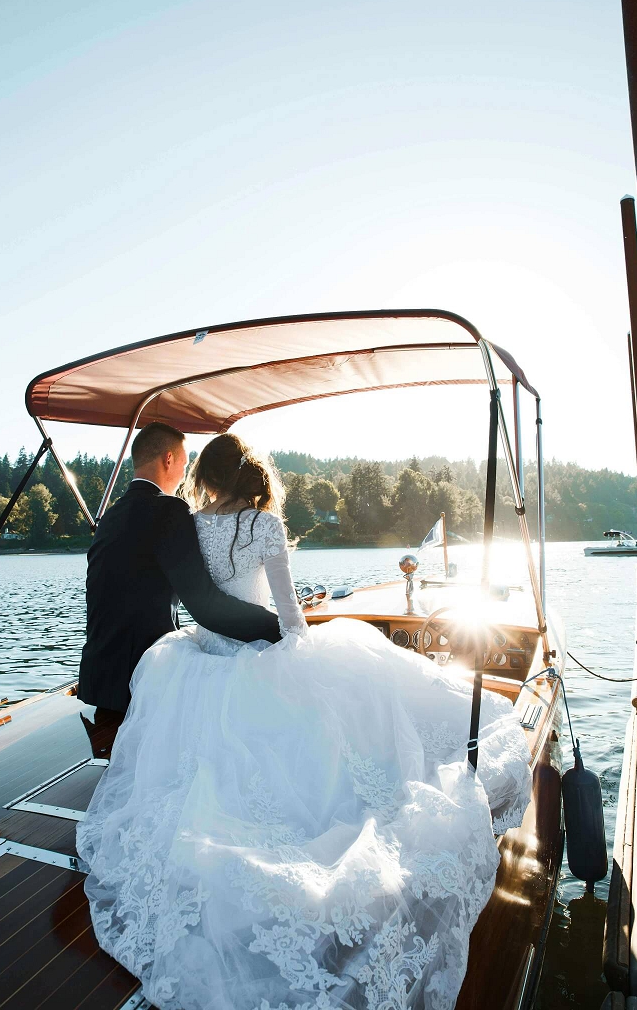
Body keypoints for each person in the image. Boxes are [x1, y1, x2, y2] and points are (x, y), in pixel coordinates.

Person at [77, 434, 532, 1010]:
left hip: (186, 658)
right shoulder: (256, 525)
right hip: (251, 639)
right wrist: (292, 636)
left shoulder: (177, 520)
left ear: (207, 477)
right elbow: (274, 609)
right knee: (343, 701)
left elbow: (194, 597)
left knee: (214, 764)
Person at [77, 423, 281, 717]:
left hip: (99, 679)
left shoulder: (111, 515)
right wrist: (280, 629)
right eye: (184, 465)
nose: (186, 475)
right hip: (143, 680)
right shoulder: (169, 510)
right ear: (169, 459)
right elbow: (205, 606)